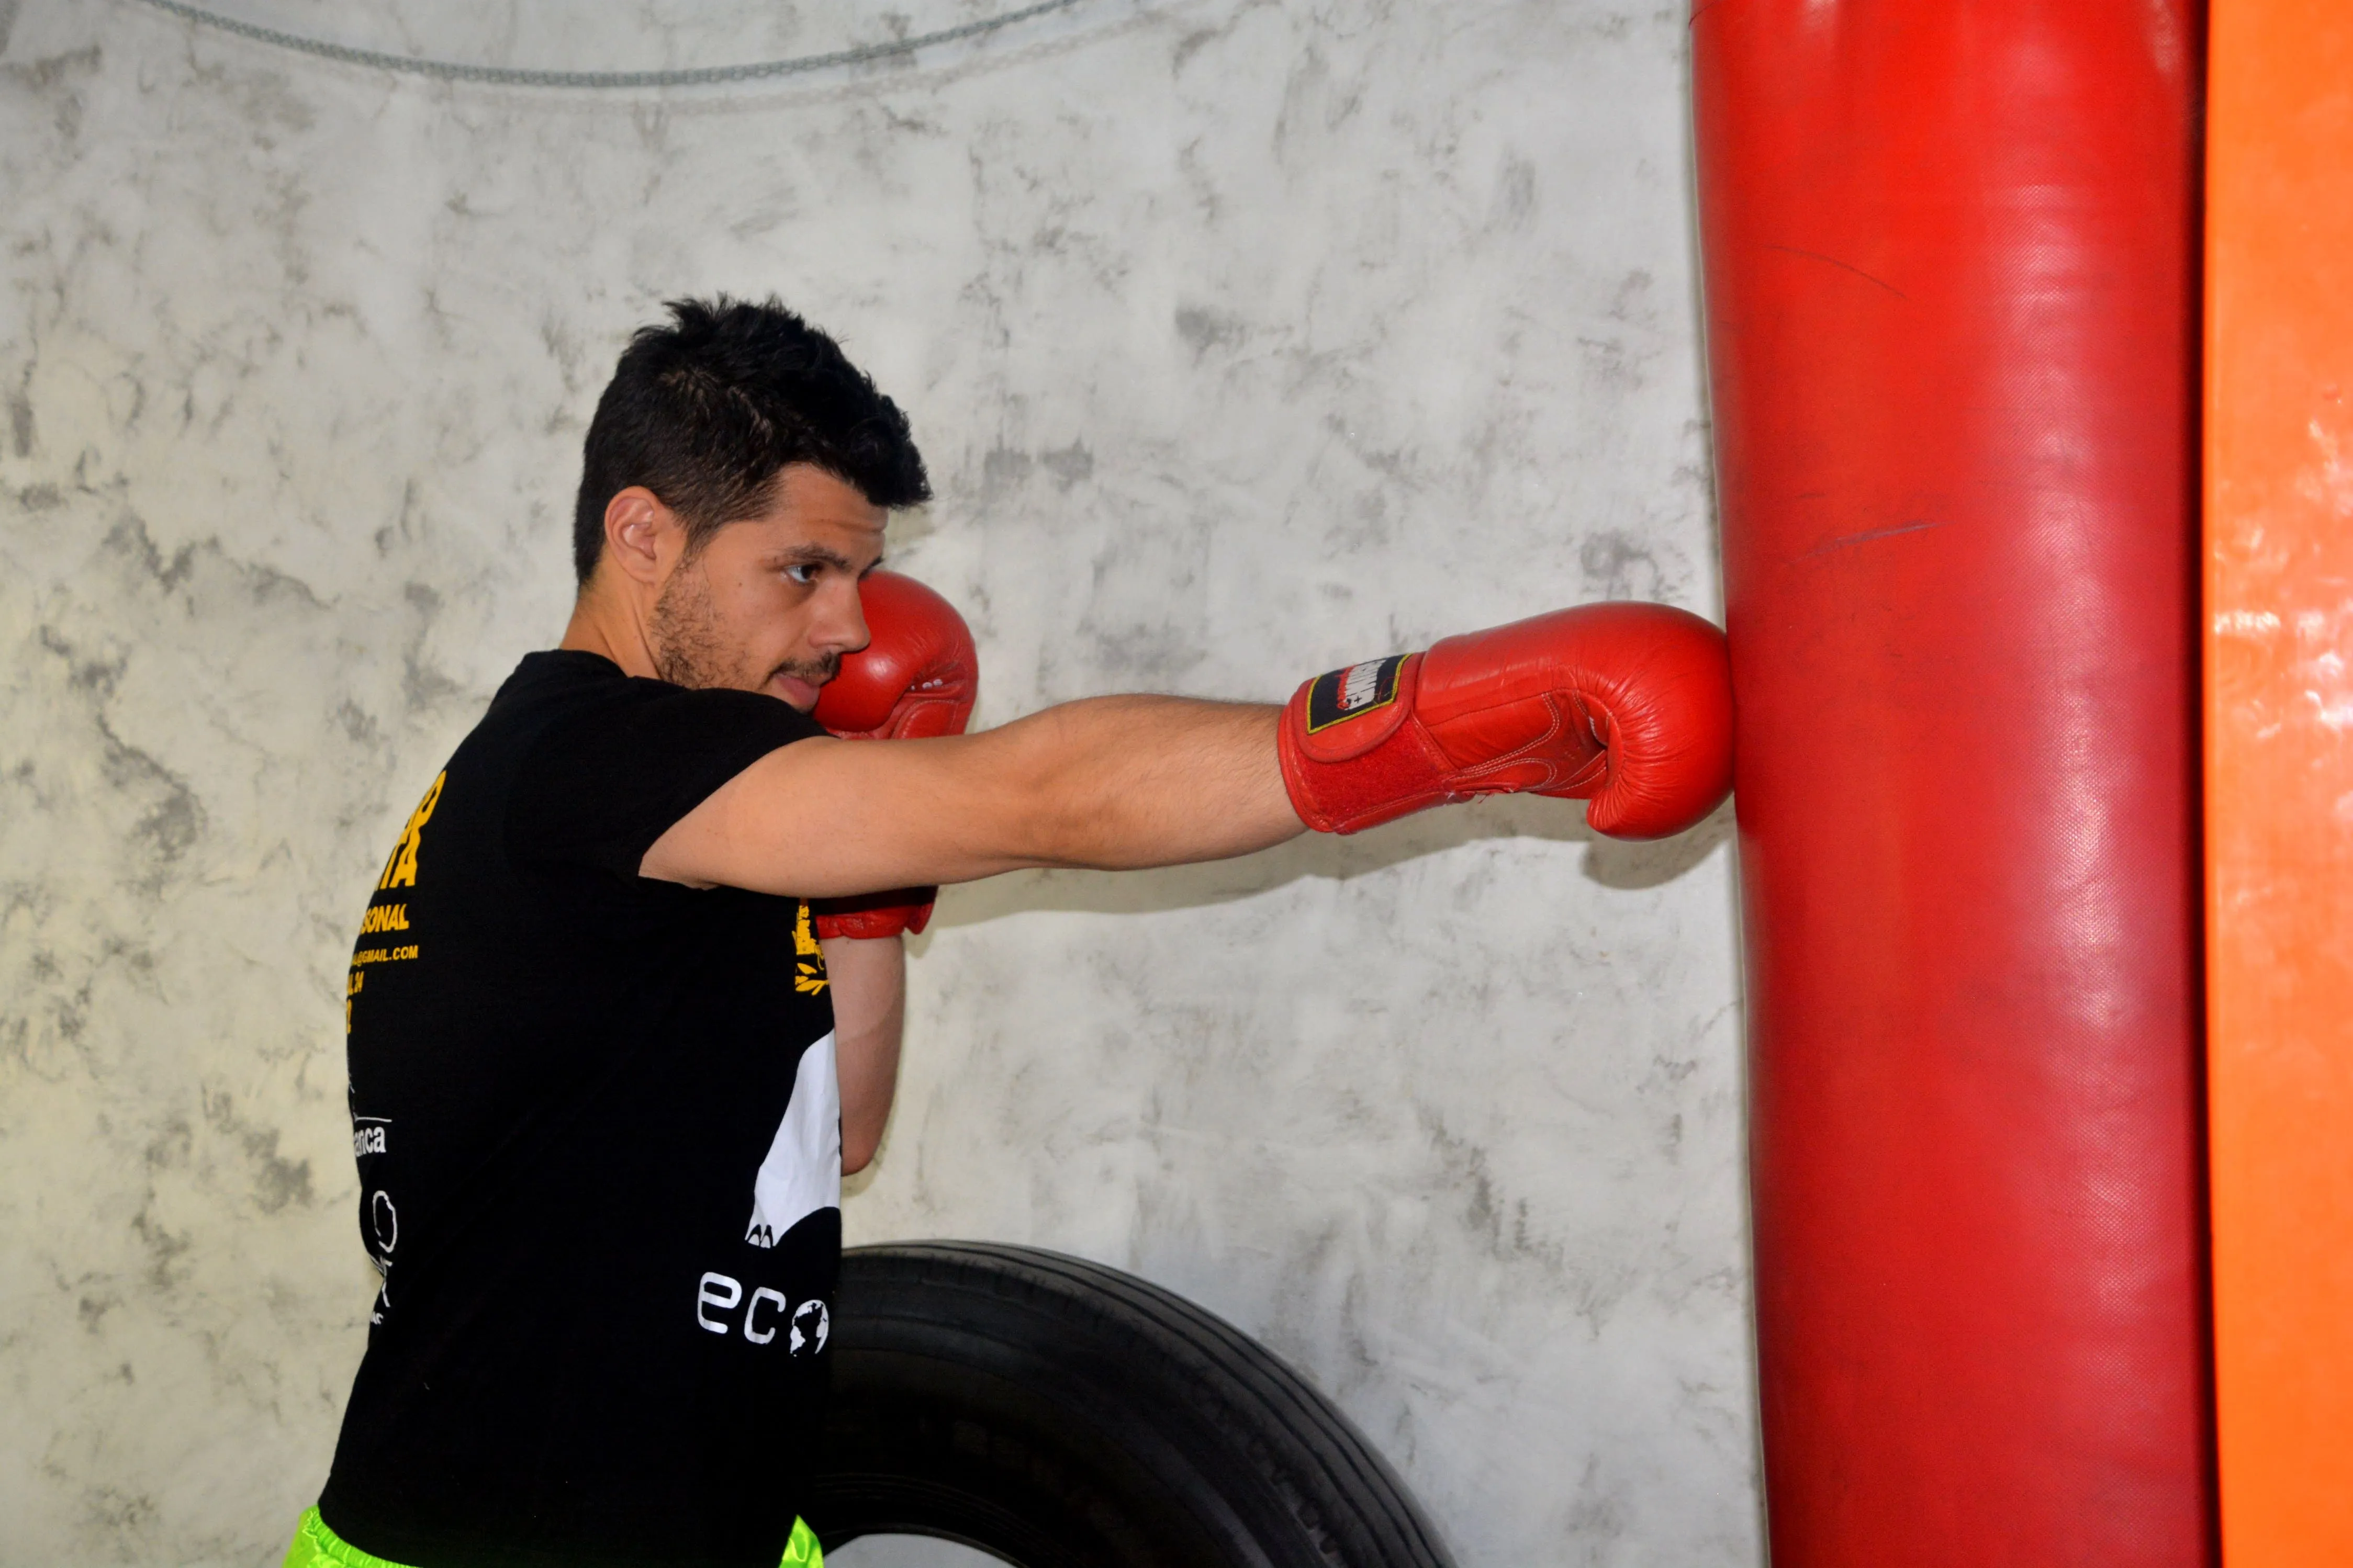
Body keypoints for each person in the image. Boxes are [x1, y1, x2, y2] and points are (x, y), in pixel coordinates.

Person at [285, 297, 1733, 1568]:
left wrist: (863, 881)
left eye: (863, 574)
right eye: (804, 569)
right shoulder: (592, 760)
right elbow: (1037, 800)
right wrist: (1423, 728)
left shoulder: (683, 823)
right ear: (643, 533)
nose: (853, 628)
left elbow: (835, 1122)